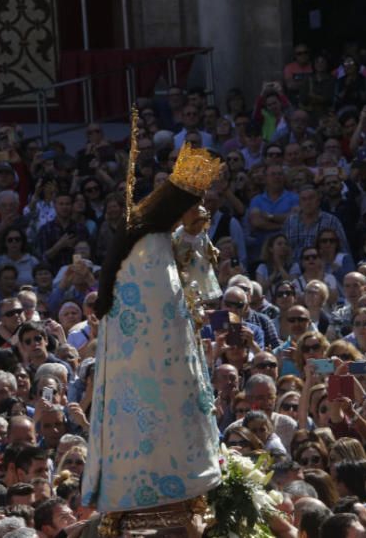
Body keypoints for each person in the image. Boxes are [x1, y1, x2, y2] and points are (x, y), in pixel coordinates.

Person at [82, 144, 222, 515]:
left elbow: (191, 283)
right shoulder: (146, 239)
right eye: (191, 205)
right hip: (147, 356)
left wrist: (195, 235)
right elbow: (162, 301)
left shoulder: (157, 235)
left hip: (163, 355)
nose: (195, 211)